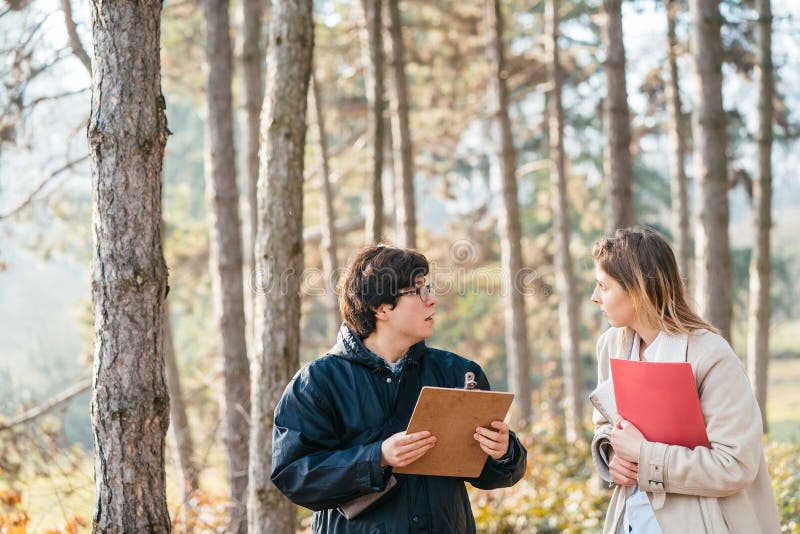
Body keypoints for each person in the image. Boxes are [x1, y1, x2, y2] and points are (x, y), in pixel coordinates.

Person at [271, 245, 527, 533]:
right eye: (418, 291)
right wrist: (377, 457)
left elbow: (493, 476)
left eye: (427, 288)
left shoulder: (458, 372)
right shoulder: (317, 382)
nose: (432, 300)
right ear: (380, 307)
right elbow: (293, 476)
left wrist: (504, 452)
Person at [588, 227, 781, 534]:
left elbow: (735, 465)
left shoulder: (711, 356)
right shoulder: (611, 345)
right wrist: (612, 453)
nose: (595, 297)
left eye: (604, 286)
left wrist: (644, 455)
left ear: (636, 290)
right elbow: (606, 424)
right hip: (630, 521)